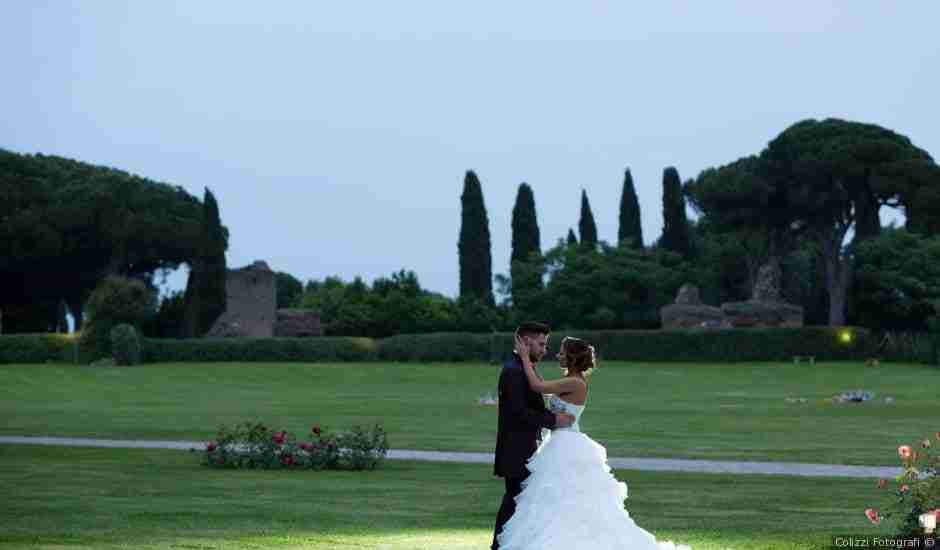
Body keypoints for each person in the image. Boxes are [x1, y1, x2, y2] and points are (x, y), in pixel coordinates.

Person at [497, 334, 692, 550]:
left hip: (567, 444)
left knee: (567, 494)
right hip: (558, 442)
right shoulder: (569, 380)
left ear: (571, 357)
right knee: (557, 496)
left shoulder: (575, 382)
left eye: (562, 352)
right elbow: (542, 385)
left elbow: (536, 386)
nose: (557, 355)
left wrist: (525, 357)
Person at [491, 322, 575, 550]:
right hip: (517, 450)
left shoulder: (521, 366)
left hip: (525, 448)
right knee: (514, 502)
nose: (545, 349)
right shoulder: (513, 371)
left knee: (521, 503)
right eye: (541, 344)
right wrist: (554, 420)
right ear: (526, 342)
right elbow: (520, 412)